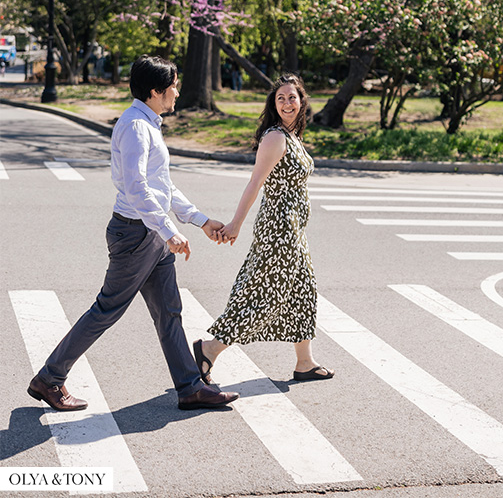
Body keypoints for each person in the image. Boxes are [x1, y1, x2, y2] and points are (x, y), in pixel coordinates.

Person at [27, 55, 240, 412]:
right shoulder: (135, 127)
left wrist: (201, 221)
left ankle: (189, 387)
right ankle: (50, 379)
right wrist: (169, 231)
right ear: (156, 91)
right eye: (173, 85)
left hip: (150, 233)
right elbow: (137, 187)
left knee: (169, 310)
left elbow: (163, 186)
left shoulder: (148, 123)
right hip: (136, 234)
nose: (177, 91)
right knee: (107, 309)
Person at [193, 74, 333, 382]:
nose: (286, 103)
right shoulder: (275, 137)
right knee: (263, 295)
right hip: (279, 231)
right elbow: (255, 183)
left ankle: (304, 361)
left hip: (295, 230)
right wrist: (235, 224)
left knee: (302, 292)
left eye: (292, 98)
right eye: (280, 98)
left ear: (302, 101)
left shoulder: (292, 136)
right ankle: (210, 349)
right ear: (273, 103)